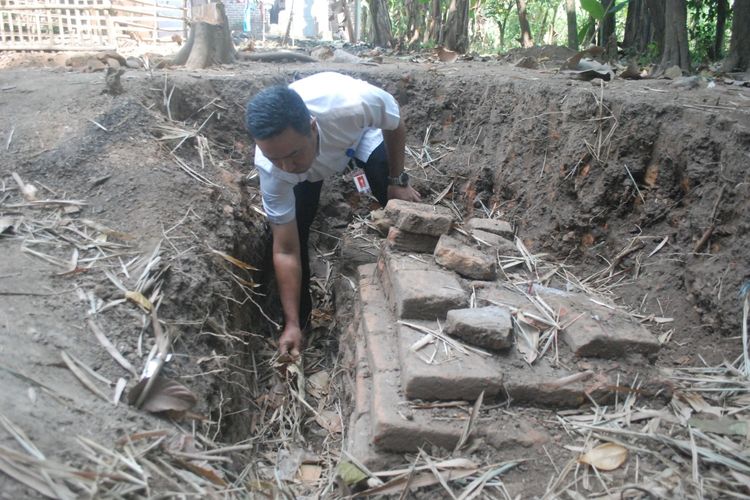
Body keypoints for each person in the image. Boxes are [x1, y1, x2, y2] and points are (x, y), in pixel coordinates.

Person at [245, 72, 420, 359]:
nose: (286, 166)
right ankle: (300, 323)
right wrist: (290, 324)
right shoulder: (273, 168)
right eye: (277, 159)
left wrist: (397, 180)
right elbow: (286, 249)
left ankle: (407, 260)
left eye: (292, 154)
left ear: (312, 127)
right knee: (298, 226)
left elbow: (395, 122)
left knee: (383, 179)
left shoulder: (353, 105)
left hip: (356, 137)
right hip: (312, 167)